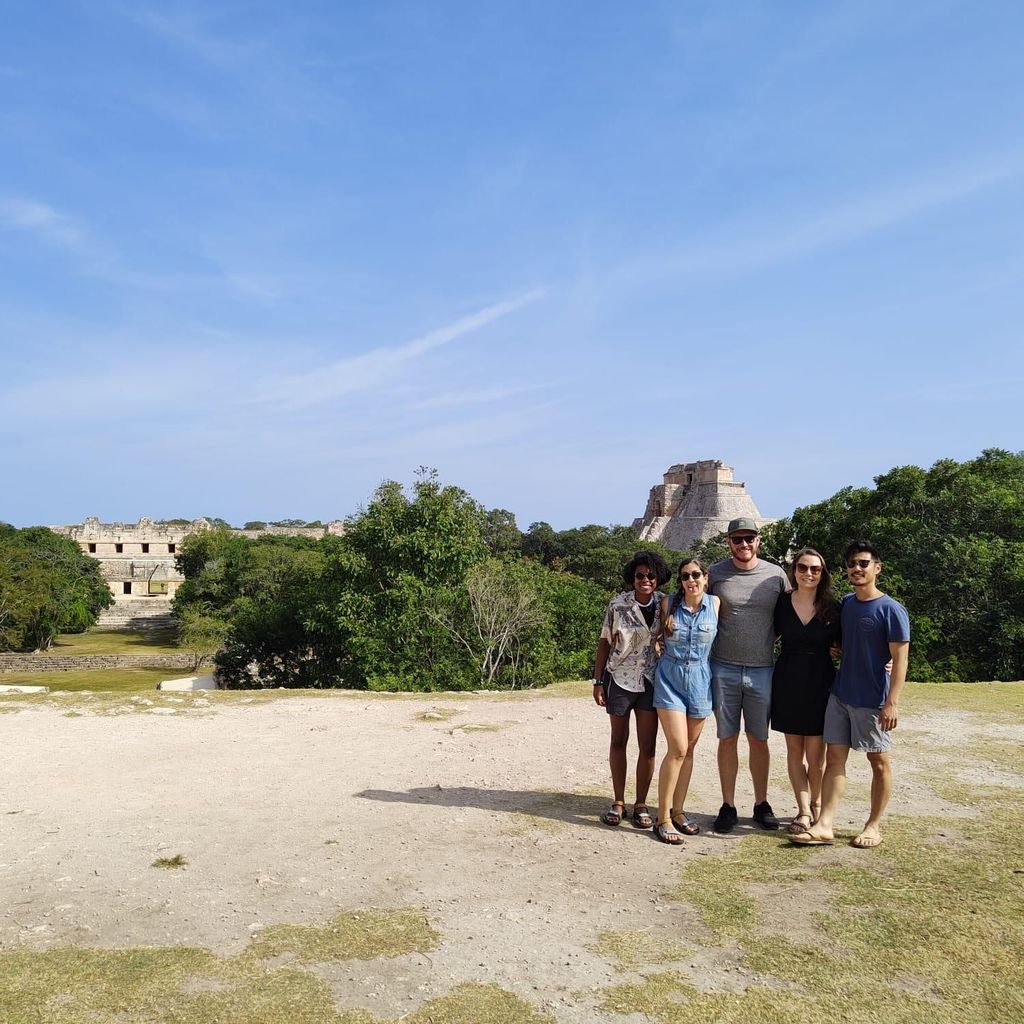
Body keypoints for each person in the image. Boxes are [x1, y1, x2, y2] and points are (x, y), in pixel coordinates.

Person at [791, 540, 910, 849]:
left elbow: (900, 659)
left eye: (863, 563)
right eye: (852, 564)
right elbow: (847, 641)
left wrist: (892, 703)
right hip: (841, 694)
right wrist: (838, 648)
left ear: (877, 568)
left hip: (872, 700)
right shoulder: (847, 604)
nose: (857, 569)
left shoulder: (891, 609)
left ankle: (873, 825)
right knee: (834, 761)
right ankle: (825, 824)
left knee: (879, 762)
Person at [707, 517, 790, 833]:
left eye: (749, 539)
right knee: (727, 738)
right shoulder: (715, 573)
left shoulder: (776, 575)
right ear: (728, 542)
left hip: (762, 668)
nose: (744, 545)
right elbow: (689, 601)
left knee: (759, 738)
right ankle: (728, 805)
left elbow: (794, 613)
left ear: (758, 540)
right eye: (737, 539)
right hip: (723, 666)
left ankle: (761, 802)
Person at [592, 550, 671, 829]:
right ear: (632, 578)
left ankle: (640, 803)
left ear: (658, 577)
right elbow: (604, 641)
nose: (645, 580)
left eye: (651, 575)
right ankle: (618, 801)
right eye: (640, 575)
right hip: (620, 678)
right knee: (618, 740)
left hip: (650, 680)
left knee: (648, 746)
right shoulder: (618, 604)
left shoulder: (666, 604)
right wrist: (598, 680)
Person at [770, 548, 841, 833]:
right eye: (803, 568)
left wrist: (886, 661)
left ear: (822, 574)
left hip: (820, 681)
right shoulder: (781, 602)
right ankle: (801, 811)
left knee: (816, 756)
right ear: (794, 570)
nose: (808, 573)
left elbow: (850, 643)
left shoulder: (833, 608)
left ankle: (817, 807)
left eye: (815, 569)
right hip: (787, 679)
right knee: (793, 751)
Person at [651, 556, 720, 845]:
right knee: (677, 748)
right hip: (670, 678)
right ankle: (663, 817)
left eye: (695, 575)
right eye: (685, 576)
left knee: (689, 750)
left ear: (705, 578)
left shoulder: (716, 605)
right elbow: (654, 635)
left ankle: (678, 810)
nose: (690, 581)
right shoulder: (668, 604)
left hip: (701, 680)